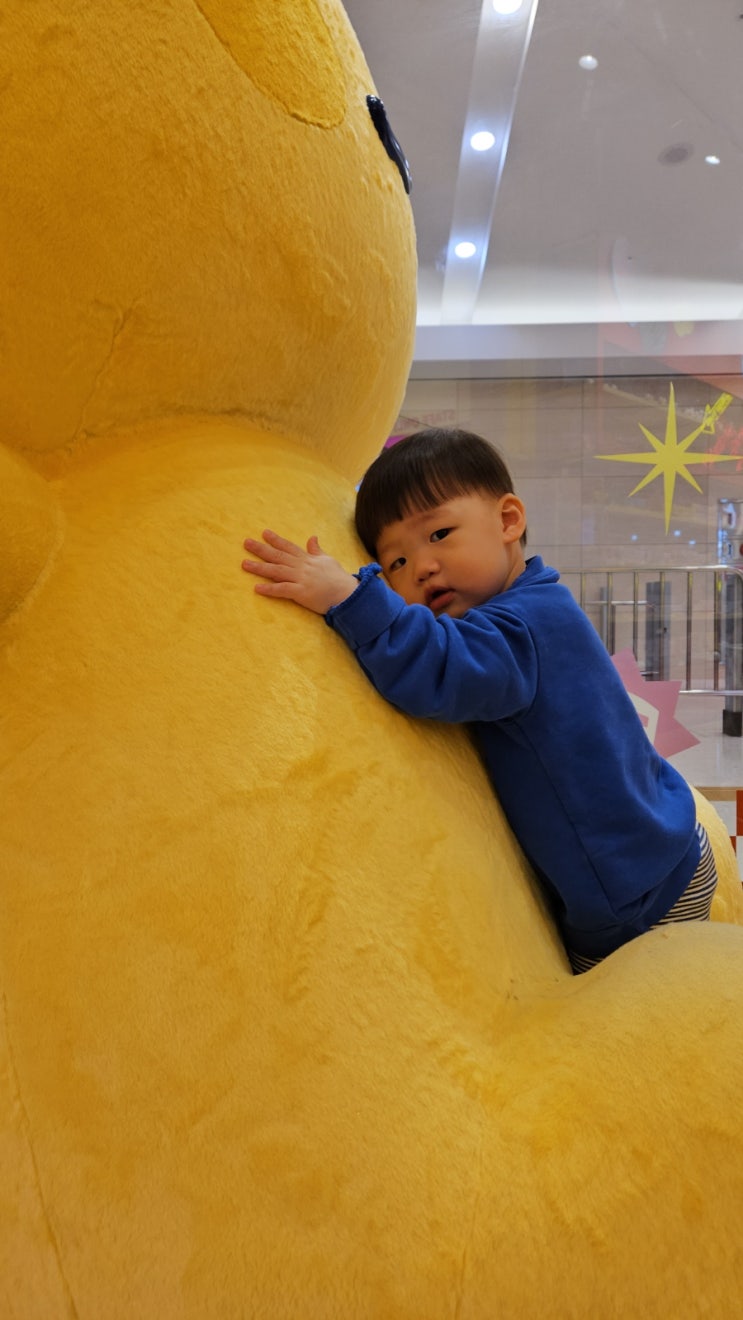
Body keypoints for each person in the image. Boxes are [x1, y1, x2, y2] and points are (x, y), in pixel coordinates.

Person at [241, 427, 718, 972]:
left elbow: (438, 669)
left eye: (439, 533)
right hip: (664, 850)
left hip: (637, 899)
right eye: (395, 563)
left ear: (508, 521)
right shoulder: (542, 602)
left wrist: (349, 597)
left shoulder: (521, 629)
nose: (422, 566)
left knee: (625, 1011)